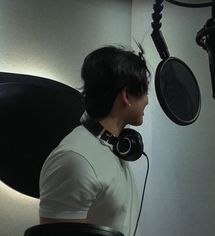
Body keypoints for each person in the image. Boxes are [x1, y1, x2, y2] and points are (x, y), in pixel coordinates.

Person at [39, 45, 150, 236]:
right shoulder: (75, 160)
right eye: (144, 93)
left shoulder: (113, 147)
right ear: (126, 96)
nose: (147, 101)